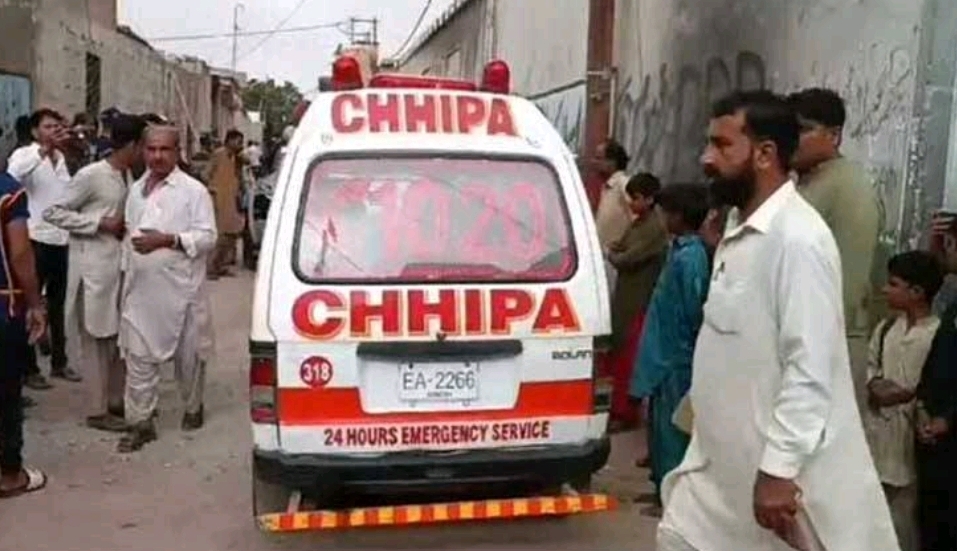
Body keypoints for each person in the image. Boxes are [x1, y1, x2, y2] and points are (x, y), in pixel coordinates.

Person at [655, 90, 898, 551]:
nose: (706, 158)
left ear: (765, 154)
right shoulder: (737, 228)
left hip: (772, 481)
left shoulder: (798, 239)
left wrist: (778, 470)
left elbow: (810, 367)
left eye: (722, 145)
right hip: (717, 473)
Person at [43, 114, 146, 433]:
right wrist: (98, 223)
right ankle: (95, 410)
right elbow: (53, 212)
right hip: (92, 273)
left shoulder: (126, 176)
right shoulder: (92, 175)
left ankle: (114, 401)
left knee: (115, 340)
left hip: (117, 269)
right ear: (132, 145)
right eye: (144, 146)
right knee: (95, 341)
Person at [117, 124, 216, 452]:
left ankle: (193, 406)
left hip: (182, 292)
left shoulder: (193, 191)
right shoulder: (136, 190)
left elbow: (208, 237)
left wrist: (168, 240)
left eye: (165, 149)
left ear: (177, 152)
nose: (157, 156)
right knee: (138, 360)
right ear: (143, 151)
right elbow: (129, 235)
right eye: (152, 149)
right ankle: (140, 423)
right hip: (140, 292)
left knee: (189, 360)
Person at [788, 88, 881, 417]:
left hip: (825, 348)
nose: (791, 139)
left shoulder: (848, 187)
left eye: (802, 129)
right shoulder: (807, 183)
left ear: (834, 135)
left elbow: (848, 286)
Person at [629, 182, 711, 517]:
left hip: (678, 357)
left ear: (679, 216)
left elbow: (694, 308)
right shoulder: (677, 250)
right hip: (663, 354)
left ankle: (673, 498)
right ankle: (660, 486)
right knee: (658, 428)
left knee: (673, 432)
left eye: (666, 213)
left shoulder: (690, 257)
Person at [862, 251, 943, 551]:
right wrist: (876, 386)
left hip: (911, 445)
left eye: (894, 284)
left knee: (903, 525)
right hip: (876, 438)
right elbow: (871, 368)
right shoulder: (886, 329)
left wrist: (909, 395)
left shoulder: (937, 335)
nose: (885, 290)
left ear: (917, 292)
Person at [7, 108, 81, 389]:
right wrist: (43, 151)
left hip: (60, 239)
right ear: (35, 131)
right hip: (35, 237)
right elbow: (14, 177)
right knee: (31, 303)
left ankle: (59, 362)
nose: (53, 131)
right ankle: (29, 368)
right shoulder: (25, 155)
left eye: (56, 126)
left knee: (59, 305)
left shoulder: (60, 158)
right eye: (48, 127)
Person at [606, 173, 668, 433]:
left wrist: (613, 254)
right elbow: (618, 246)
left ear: (650, 199)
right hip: (626, 297)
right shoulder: (639, 223)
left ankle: (625, 413)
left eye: (636, 198)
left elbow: (623, 257)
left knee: (629, 362)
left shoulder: (654, 228)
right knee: (618, 356)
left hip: (640, 301)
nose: (632, 203)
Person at [0, 169, 49, 498]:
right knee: (6, 391)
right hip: (3, 305)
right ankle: (9, 474)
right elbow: (19, 252)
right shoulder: (7, 190)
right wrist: (34, 303)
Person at [916, 211, 957, 551]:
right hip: (934, 432)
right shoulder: (952, 301)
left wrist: (949, 418)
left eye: (950, 244)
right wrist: (923, 406)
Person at [593, 139, 634, 294]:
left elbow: (638, 216)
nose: (594, 162)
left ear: (612, 162)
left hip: (614, 260)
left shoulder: (623, 184)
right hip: (603, 258)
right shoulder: (608, 187)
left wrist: (626, 246)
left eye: (599, 158)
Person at [204, 129, 245, 279]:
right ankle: (211, 268)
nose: (240, 145)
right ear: (229, 140)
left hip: (230, 200)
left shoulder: (236, 158)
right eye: (238, 142)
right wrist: (213, 190)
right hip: (218, 199)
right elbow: (206, 174)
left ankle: (221, 266)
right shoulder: (219, 154)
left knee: (230, 235)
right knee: (219, 235)